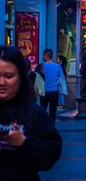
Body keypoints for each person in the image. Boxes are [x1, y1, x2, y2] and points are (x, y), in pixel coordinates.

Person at [0, 46, 62, 180]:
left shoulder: (34, 113)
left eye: (9, 76)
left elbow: (50, 155)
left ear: (20, 78)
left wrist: (24, 143)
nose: (2, 82)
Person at [39, 49, 61, 122]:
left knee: (43, 110)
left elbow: (37, 78)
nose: (42, 57)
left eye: (43, 55)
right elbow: (61, 78)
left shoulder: (41, 66)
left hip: (44, 91)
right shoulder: (57, 66)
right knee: (53, 111)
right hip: (54, 91)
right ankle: (52, 127)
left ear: (46, 55)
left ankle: (43, 126)